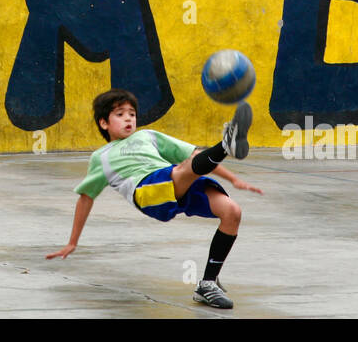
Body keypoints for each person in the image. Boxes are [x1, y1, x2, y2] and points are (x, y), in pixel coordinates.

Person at [48, 89, 260, 309]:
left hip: (175, 178)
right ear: (104, 123)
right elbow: (86, 197)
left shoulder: (147, 136)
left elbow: (194, 155)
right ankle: (225, 145)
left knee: (232, 212)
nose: (128, 118)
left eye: (132, 113)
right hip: (146, 190)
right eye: (120, 114)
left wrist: (233, 179)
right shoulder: (101, 157)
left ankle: (207, 284)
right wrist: (73, 242)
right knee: (182, 171)